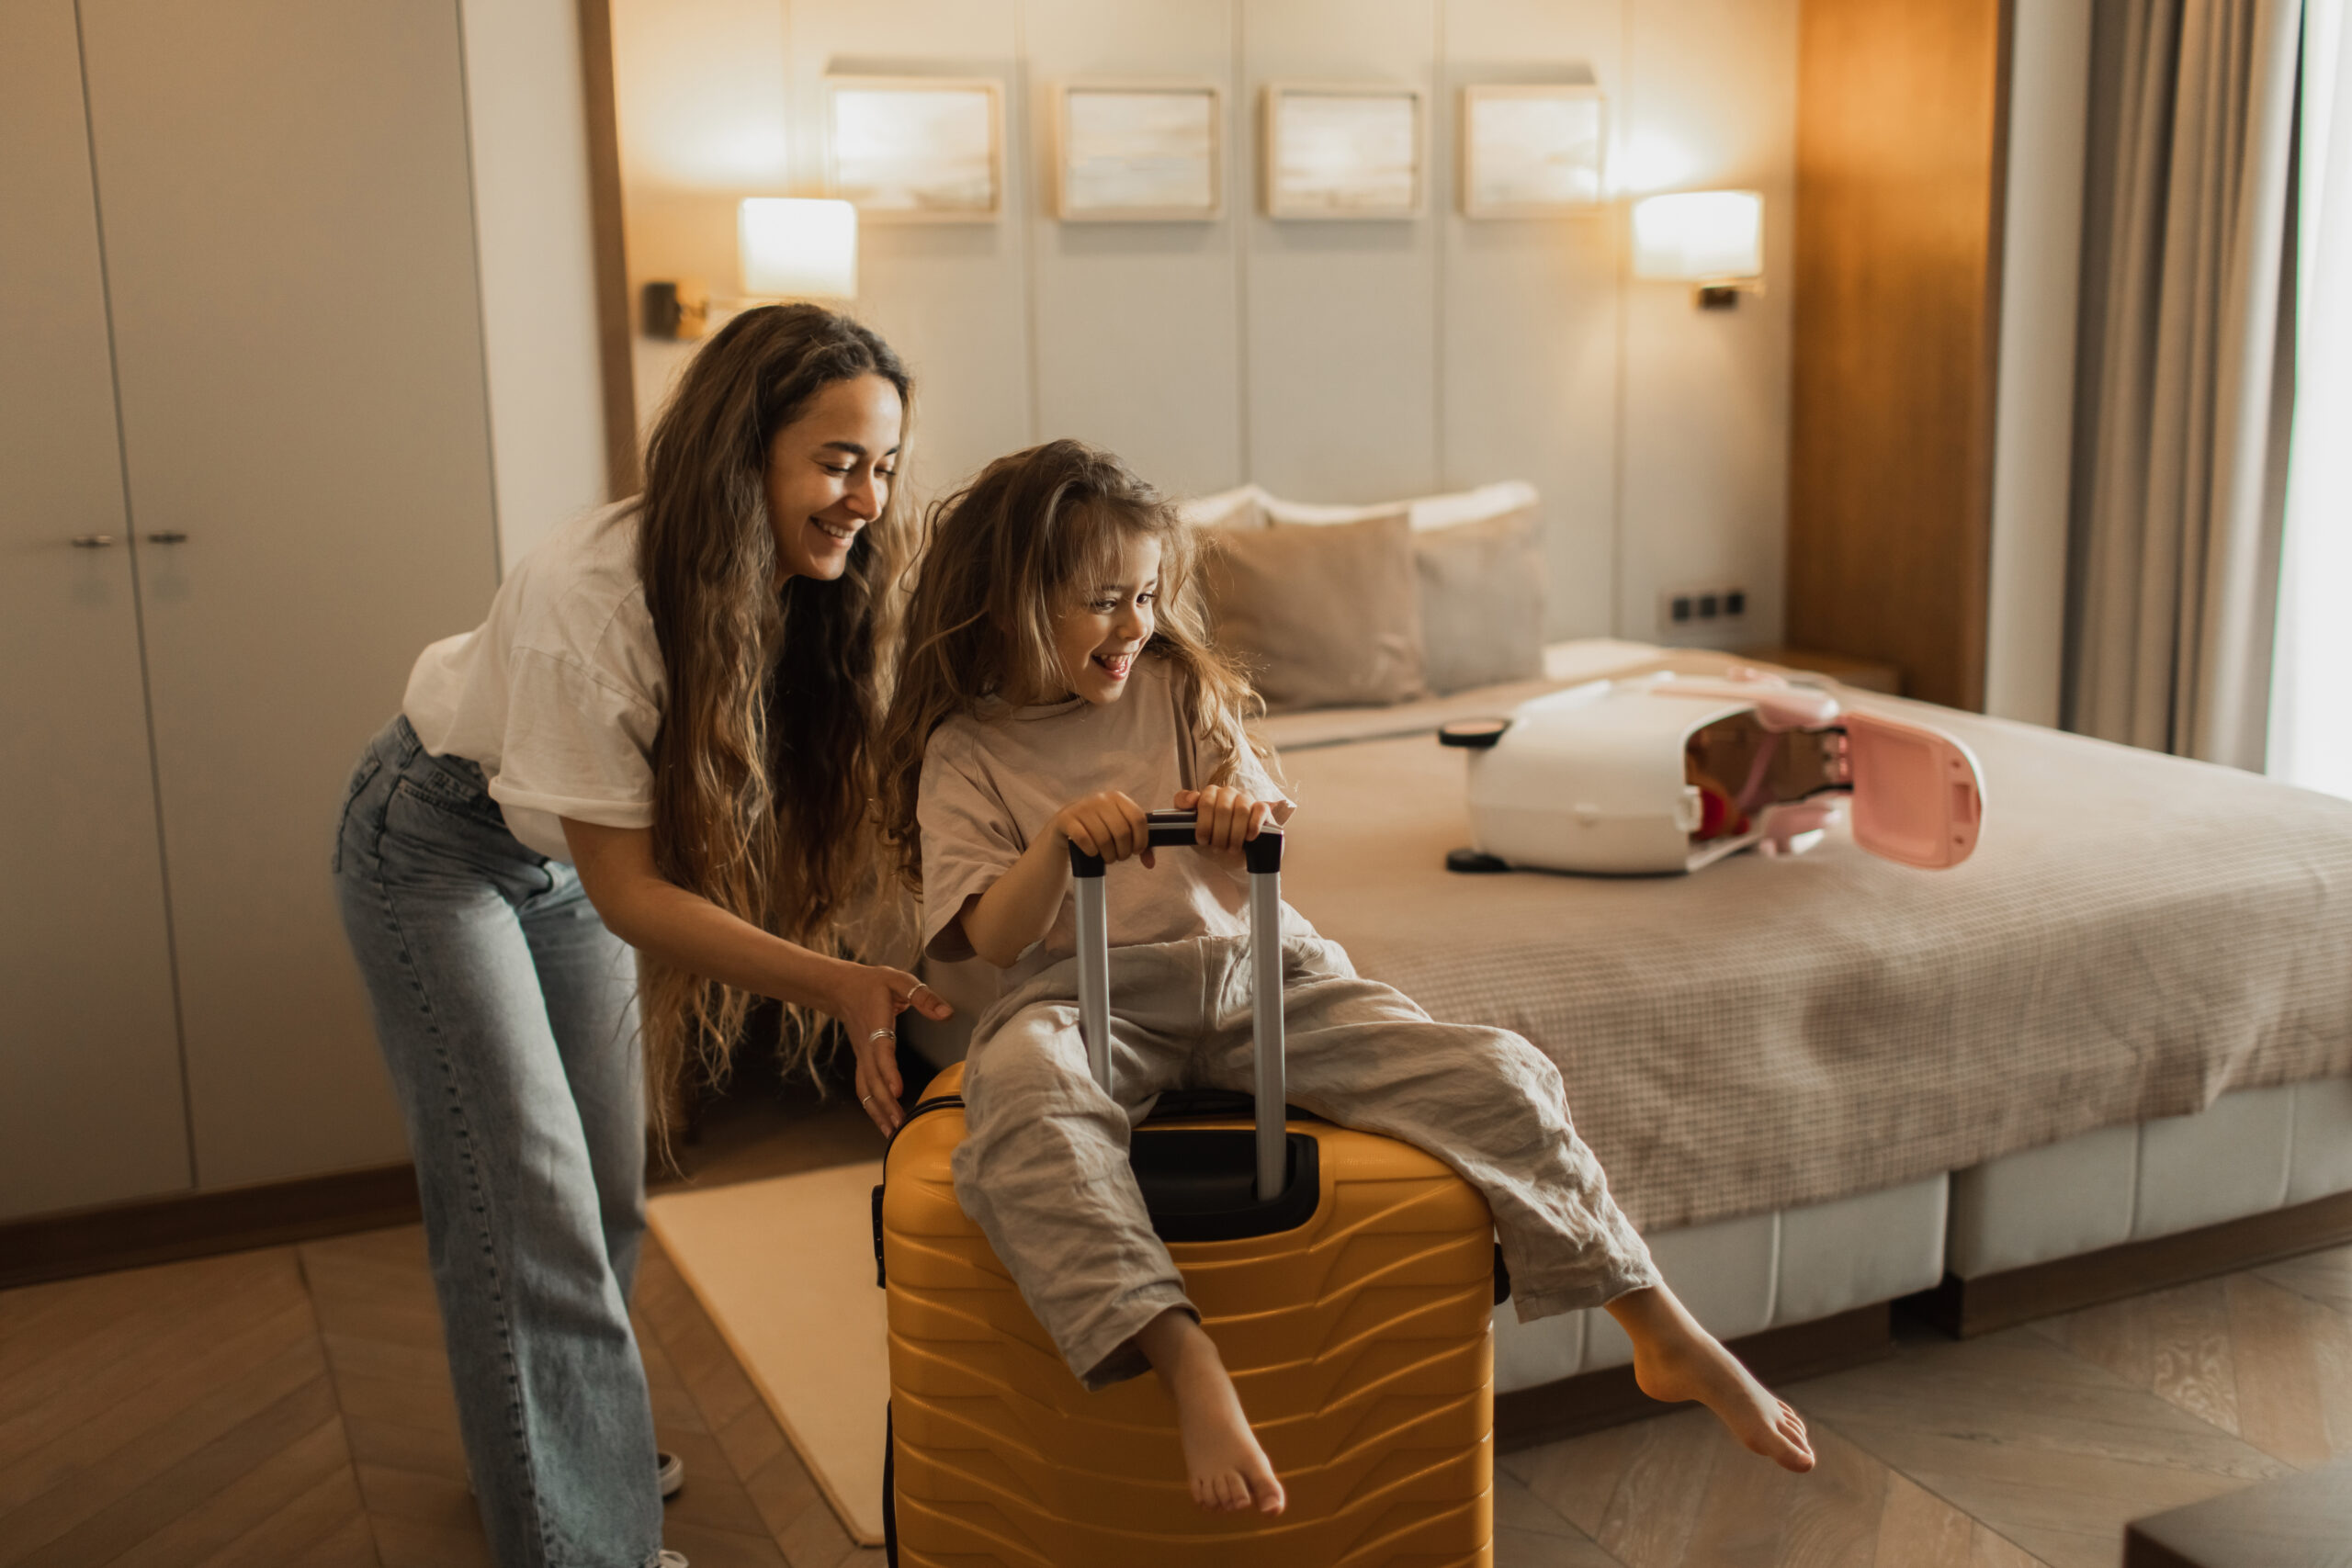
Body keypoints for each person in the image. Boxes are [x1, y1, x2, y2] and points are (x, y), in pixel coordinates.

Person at [874, 439, 1815, 1517]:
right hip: (1083, 1001)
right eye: (1101, 601)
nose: (1135, 625)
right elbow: (991, 936)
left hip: (1250, 972)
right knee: (1024, 1108)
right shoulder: (966, 748)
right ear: (1009, 603)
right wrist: (1055, 842)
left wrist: (1234, 818)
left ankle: (1658, 1328)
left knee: (1501, 1072)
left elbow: (1258, 823)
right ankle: (1185, 1358)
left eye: (1144, 596)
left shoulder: (1177, 686)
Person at [334, 304, 951, 1568]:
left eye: (883, 464)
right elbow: (630, 889)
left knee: (602, 1191)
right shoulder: (594, 596)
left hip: (564, 857)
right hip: (440, 849)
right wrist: (840, 982)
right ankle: (582, 1538)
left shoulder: (817, 588)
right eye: (838, 460)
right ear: (747, 453)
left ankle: (567, 1441)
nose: (868, 498)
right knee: (528, 1203)